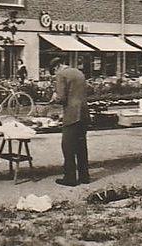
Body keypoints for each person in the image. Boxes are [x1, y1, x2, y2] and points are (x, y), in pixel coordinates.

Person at [48, 57, 90, 187]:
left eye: (54, 72)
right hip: (83, 113)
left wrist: (55, 97)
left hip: (72, 115)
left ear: (56, 67)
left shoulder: (61, 74)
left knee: (67, 147)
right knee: (81, 146)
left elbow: (61, 98)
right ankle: (84, 177)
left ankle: (70, 178)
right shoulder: (78, 72)